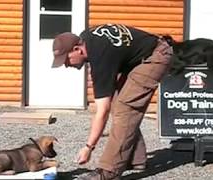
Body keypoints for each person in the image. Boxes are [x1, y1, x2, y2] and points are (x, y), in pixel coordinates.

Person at [52, 24, 173, 180]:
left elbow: (102, 110)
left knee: (125, 108)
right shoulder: (89, 40)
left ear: (77, 49)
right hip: (141, 57)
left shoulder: (99, 55)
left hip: (155, 56)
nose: (66, 65)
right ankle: (135, 159)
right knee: (118, 102)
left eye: (66, 59)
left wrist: (89, 147)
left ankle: (109, 172)